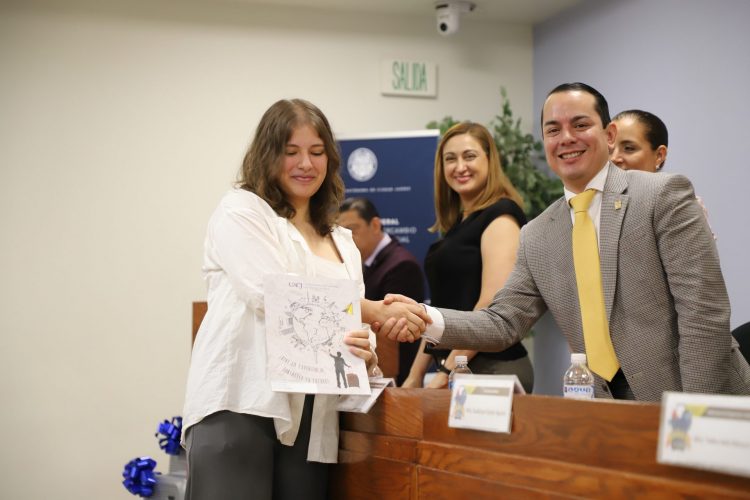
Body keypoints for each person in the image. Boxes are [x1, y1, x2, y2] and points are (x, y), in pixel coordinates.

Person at [386, 83, 750, 401]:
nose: (566, 138)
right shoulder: (538, 234)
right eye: (553, 129)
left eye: (580, 125)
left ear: (609, 134)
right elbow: (503, 322)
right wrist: (425, 317)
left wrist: (695, 414)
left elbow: (703, 315)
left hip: (693, 401)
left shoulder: (663, 195)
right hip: (605, 408)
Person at [181, 99, 429, 500]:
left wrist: (365, 348)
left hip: (315, 417)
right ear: (267, 154)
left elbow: (349, 327)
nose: (306, 164)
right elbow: (274, 294)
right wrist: (373, 310)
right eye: (291, 151)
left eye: (317, 152)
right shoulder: (242, 211)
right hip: (243, 401)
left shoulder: (342, 241)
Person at [401, 122, 534, 393]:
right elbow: (440, 314)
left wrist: (447, 372)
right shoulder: (458, 224)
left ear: (489, 159)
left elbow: (489, 307)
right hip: (457, 369)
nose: (460, 167)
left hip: (491, 369)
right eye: (450, 159)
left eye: (469, 156)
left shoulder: (502, 216)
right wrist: (415, 377)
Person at [338, 197, 426, 385]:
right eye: (341, 232)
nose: (347, 238)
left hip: (395, 381)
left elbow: (393, 333)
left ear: (375, 225)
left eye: (352, 230)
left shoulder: (401, 265)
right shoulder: (363, 263)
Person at [611, 109, 714, 237]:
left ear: (659, 155)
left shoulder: (677, 204)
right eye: (609, 149)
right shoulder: (596, 201)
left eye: (629, 148)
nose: (613, 158)